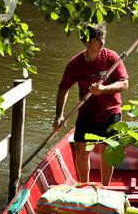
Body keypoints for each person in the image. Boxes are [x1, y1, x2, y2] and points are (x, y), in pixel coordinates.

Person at [53, 22, 129, 185]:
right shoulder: (76, 64)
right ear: (86, 42)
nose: (102, 43)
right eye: (98, 39)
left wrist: (103, 89)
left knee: (107, 152)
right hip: (87, 113)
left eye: (103, 38)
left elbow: (124, 84)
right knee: (81, 151)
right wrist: (59, 115)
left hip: (111, 113)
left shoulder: (111, 58)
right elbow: (63, 89)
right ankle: (84, 186)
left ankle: (104, 188)